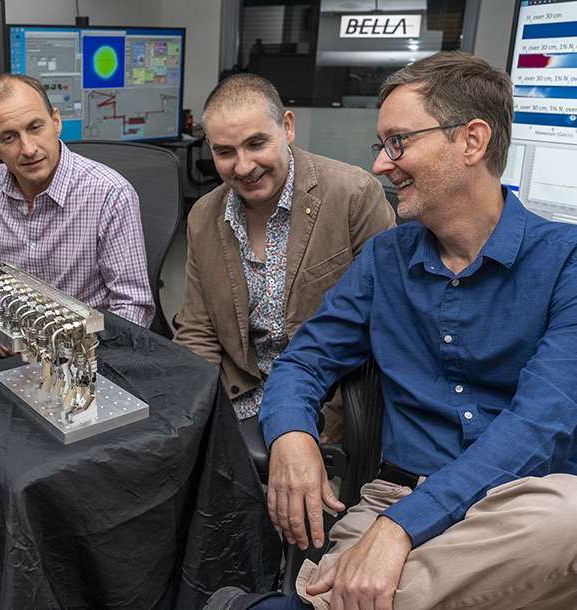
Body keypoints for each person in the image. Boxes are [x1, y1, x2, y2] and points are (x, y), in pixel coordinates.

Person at [208, 51, 577, 610]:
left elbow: (539, 423)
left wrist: (400, 530)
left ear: (472, 141)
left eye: (398, 142)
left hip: (516, 511)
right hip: (393, 494)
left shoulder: (565, 262)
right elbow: (305, 361)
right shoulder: (386, 259)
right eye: (381, 146)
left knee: (567, 515)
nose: (381, 164)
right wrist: (290, 435)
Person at [174, 73, 395, 434]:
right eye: (225, 152)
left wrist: (331, 426)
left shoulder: (353, 196)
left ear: (287, 128)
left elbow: (384, 326)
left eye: (256, 143)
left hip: (323, 399)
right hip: (237, 392)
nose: (243, 167)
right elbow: (198, 330)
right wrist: (194, 413)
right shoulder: (203, 215)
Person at [0, 73, 155, 369]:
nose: (29, 148)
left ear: (56, 122)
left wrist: (80, 359)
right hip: (14, 345)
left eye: (36, 128)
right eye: (9, 137)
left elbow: (132, 307)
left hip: (85, 353)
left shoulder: (109, 193)